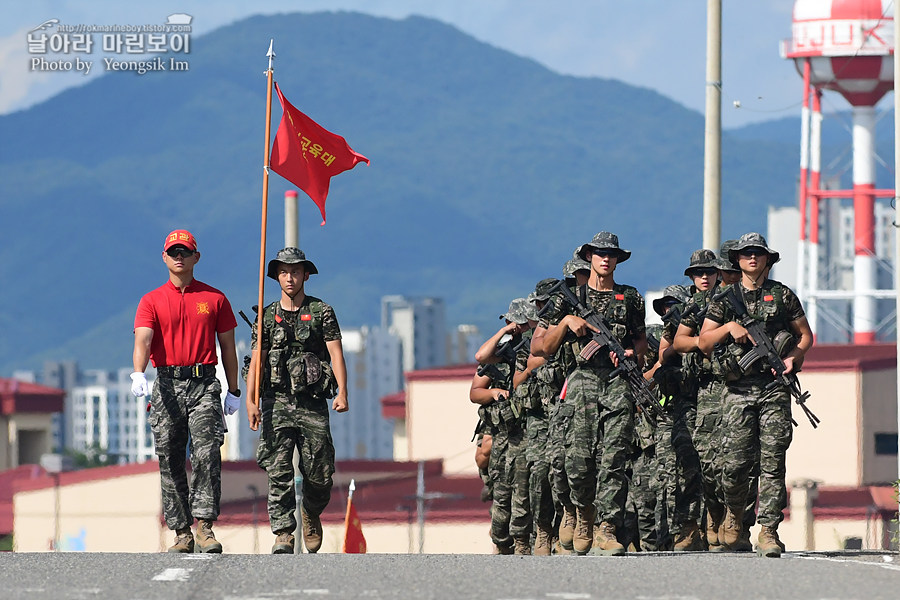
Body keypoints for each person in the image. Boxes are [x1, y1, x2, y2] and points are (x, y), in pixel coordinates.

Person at [698, 233, 813, 558]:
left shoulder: (782, 295)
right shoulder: (724, 299)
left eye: (757, 253)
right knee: (734, 465)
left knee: (773, 462)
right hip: (736, 391)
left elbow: (805, 335)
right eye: (746, 253)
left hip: (774, 388)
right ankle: (734, 516)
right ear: (737, 259)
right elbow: (704, 342)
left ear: (766, 259)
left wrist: (796, 356)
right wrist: (727, 329)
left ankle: (769, 531)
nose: (752, 258)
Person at [534, 231, 646, 556]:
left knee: (614, 458)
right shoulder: (567, 298)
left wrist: (629, 354)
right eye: (599, 253)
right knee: (578, 461)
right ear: (589, 257)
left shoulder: (631, 298)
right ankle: (582, 511)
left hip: (617, 381)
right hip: (582, 381)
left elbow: (639, 341)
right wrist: (566, 322)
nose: (606, 258)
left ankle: (605, 528)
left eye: (611, 254)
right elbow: (539, 346)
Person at [131, 229, 240, 553]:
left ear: (196, 257)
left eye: (185, 251)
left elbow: (229, 349)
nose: (179, 257)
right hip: (166, 384)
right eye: (173, 252)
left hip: (204, 383)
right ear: (164, 257)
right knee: (170, 458)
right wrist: (138, 372)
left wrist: (233, 390)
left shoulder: (214, 299)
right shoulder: (151, 300)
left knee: (207, 452)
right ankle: (181, 531)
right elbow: (143, 339)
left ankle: (205, 526)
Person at [246, 247, 349, 554]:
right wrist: (252, 401)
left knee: (319, 472)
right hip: (276, 401)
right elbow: (256, 361)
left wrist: (342, 391)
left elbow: (335, 352)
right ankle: (283, 533)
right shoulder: (266, 316)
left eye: (295, 272)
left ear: (306, 275)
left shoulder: (322, 312)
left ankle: (312, 512)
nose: (289, 278)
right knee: (279, 470)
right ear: (277, 277)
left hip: (312, 401)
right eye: (283, 272)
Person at [470, 298, 530, 554]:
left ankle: (523, 538)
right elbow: (475, 388)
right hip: (501, 428)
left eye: (518, 322)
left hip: (528, 426)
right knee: (492, 466)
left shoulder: (537, 349)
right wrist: (494, 391)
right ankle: (502, 538)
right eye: (509, 321)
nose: (513, 325)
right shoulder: (503, 352)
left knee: (525, 486)